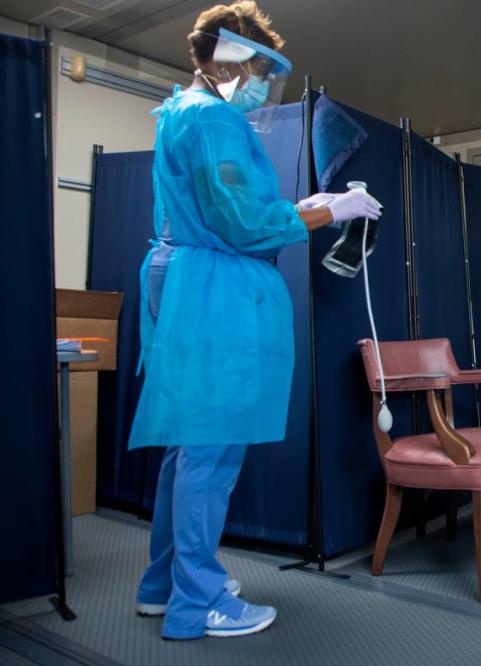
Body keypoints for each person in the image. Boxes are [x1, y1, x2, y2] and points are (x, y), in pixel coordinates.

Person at [127, 2, 382, 639]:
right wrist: (332, 212)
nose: (267, 85)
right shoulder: (211, 119)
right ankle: (197, 604)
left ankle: (167, 582)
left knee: (188, 447)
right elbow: (242, 226)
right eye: (262, 70)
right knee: (210, 451)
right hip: (214, 292)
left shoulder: (183, 113)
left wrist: (309, 204)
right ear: (230, 57)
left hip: (194, 280)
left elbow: (227, 207)